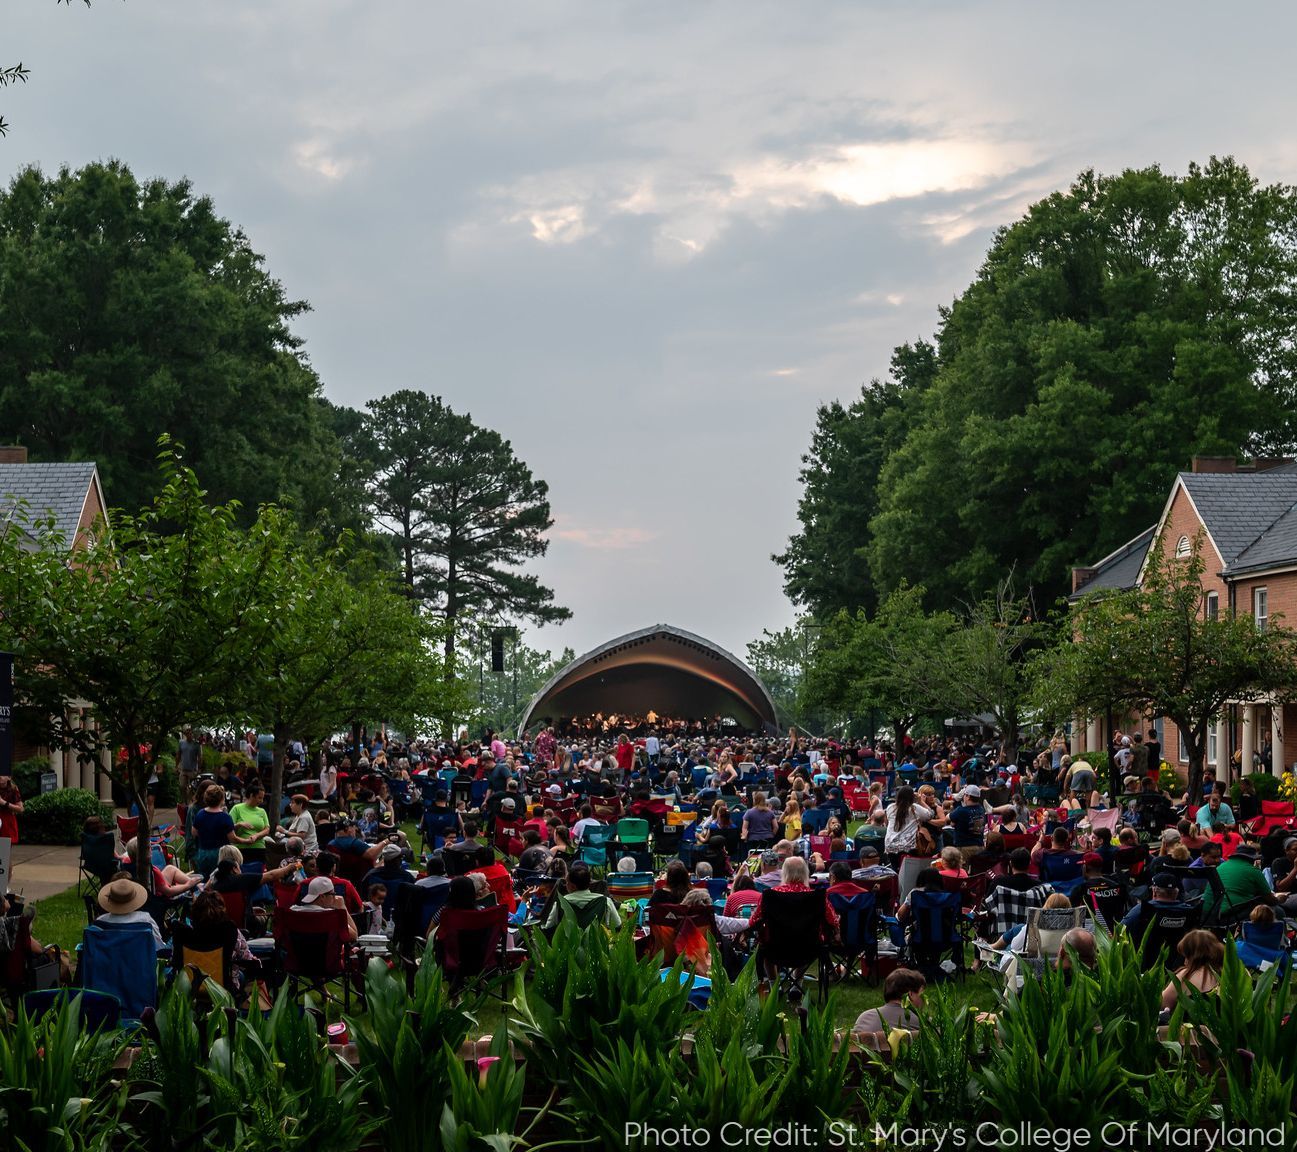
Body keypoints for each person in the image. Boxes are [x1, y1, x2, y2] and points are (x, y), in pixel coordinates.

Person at [543, 862, 621, 930]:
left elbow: (549, 927)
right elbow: (617, 925)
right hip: (596, 946)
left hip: (569, 946)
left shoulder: (560, 903)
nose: (565, 885)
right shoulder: (605, 901)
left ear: (573, 886)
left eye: (567, 882)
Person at [1160, 929, 1224, 1012]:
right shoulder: (1230, 974)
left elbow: (1161, 1004)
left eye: (1187, 956)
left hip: (1191, 1024)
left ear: (1194, 956)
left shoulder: (1186, 975)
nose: (1185, 961)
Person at [1207, 845, 1274, 921]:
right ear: (1251, 859)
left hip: (1210, 914)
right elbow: (1270, 899)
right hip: (1232, 914)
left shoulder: (1220, 867)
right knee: (1275, 910)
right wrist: (1279, 899)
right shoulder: (1253, 870)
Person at [852, 968, 925, 1035]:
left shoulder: (864, 1018)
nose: (924, 1000)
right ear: (911, 994)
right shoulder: (921, 1022)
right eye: (922, 994)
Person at [96, 877, 164, 946]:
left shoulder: (100, 922)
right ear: (134, 899)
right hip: (140, 956)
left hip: (109, 956)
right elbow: (158, 946)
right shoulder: (145, 920)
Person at [293, 875, 358, 941]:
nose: (335, 897)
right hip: (327, 951)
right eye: (333, 894)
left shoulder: (293, 912)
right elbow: (354, 936)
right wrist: (343, 908)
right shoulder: (332, 916)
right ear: (323, 897)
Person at [191, 785, 236, 877]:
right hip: (220, 854)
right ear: (222, 799)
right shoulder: (225, 817)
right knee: (219, 878)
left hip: (203, 852)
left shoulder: (200, 814)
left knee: (204, 878)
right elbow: (232, 838)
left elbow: (194, 833)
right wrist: (246, 841)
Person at [884, 786, 935, 861]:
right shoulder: (915, 808)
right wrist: (921, 801)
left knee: (896, 870)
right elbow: (930, 815)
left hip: (890, 845)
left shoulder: (890, 807)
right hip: (908, 846)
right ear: (912, 797)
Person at [229, 782, 271, 854]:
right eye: (259, 798)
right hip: (240, 848)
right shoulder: (237, 808)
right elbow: (229, 828)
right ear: (252, 795)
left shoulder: (262, 811)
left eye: (262, 798)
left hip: (259, 847)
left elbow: (267, 829)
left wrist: (256, 836)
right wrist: (239, 824)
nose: (262, 801)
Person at [949, 785, 987, 862]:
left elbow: (949, 820)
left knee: (964, 872)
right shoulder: (981, 809)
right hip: (979, 846)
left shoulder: (961, 811)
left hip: (964, 848)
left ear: (968, 796)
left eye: (964, 795)